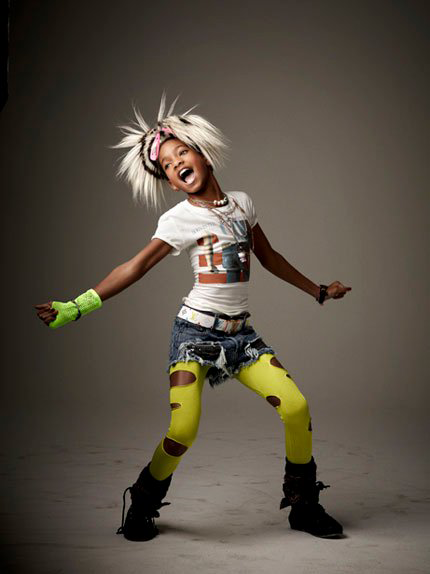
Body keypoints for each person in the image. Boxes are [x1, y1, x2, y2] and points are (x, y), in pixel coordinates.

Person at [34, 94, 352, 542]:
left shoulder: (242, 204)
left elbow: (270, 258)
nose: (176, 164)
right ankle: (142, 504)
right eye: (167, 165)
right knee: (182, 429)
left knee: (297, 407)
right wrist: (77, 305)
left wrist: (317, 290)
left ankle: (303, 506)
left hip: (242, 338)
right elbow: (136, 266)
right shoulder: (179, 219)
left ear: (203, 153)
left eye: (181, 152)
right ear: (169, 182)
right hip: (194, 337)